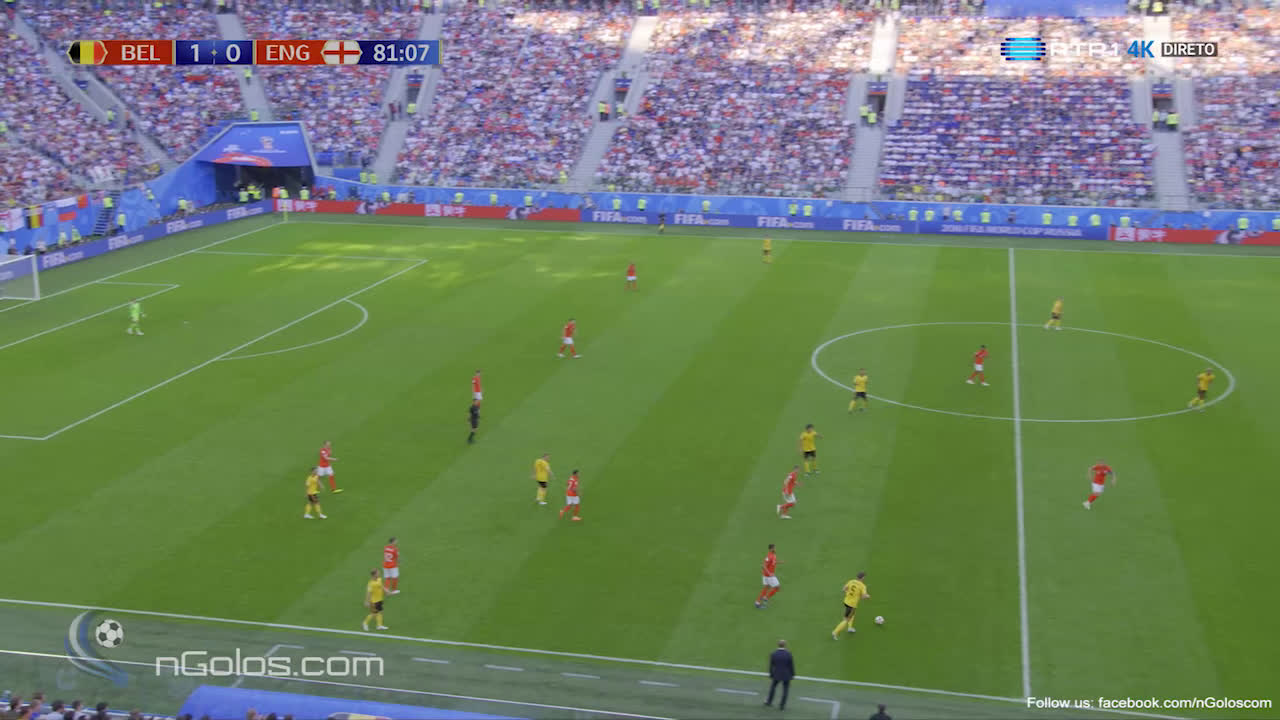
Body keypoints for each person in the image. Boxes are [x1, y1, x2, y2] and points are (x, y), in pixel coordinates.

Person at [832, 571, 870, 638]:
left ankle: (850, 628)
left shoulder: (851, 581)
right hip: (852, 605)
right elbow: (863, 597)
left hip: (846, 601)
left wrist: (850, 593)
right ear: (863, 578)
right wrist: (867, 596)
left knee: (852, 615)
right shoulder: (863, 586)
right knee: (846, 620)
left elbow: (843, 589)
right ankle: (835, 632)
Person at [763, 639, 794, 710]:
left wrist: (771, 674)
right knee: (785, 690)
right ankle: (782, 705)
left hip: (776, 674)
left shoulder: (774, 654)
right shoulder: (788, 654)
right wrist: (792, 674)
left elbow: (771, 665)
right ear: (785, 645)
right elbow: (791, 665)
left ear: (778, 645)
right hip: (786, 675)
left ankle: (769, 702)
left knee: (773, 687)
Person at [754, 543, 780, 608]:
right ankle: (766, 598)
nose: (775, 549)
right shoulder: (769, 556)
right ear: (771, 549)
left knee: (766, 588)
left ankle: (757, 602)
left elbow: (773, 562)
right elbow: (763, 566)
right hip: (769, 576)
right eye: (774, 548)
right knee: (777, 587)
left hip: (768, 575)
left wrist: (779, 562)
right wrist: (769, 573)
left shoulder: (773, 555)